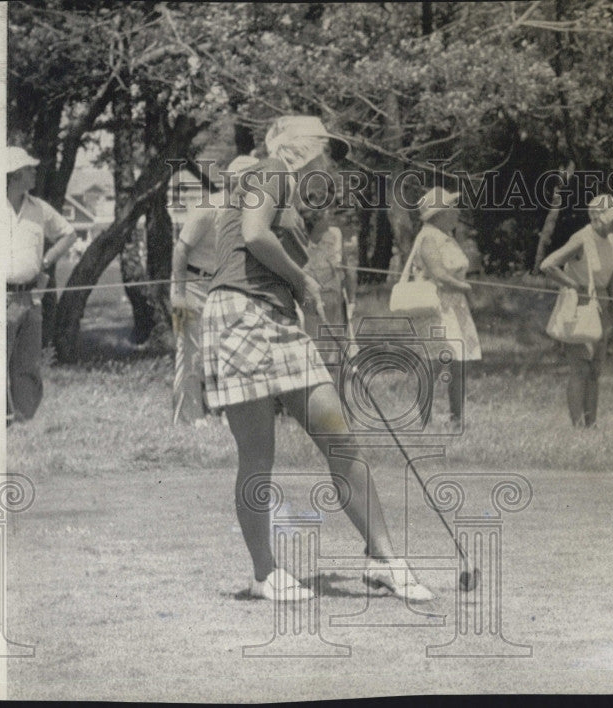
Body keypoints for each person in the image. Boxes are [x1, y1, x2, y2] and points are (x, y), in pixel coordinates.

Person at [201, 116, 433, 602]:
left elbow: (277, 249)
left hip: (278, 321)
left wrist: (303, 285)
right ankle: (264, 573)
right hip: (239, 315)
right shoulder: (269, 171)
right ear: (299, 149)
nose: (329, 165)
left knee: (341, 439)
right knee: (259, 455)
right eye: (326, 153)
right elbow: (254, 235)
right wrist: (304, 281)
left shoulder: (293, 200)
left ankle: (385, 561)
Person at [170, 155, 259, 426]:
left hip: (225, 285)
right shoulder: (208, 207)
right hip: (194, 284)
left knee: (226, 351)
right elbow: (181, 250)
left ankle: (222, 412)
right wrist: (180, 295)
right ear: (232, 181)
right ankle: (190, 417)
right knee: (192, 353)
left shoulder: (250, 211)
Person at [540, 194, 613, 428]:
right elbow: (548, 265)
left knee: (595, 369)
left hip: (602, 308)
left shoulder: (610, 240)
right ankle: (577, 425)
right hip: (578, 309)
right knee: (580, 367)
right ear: (599, 218)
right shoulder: (581, 239)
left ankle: (592, 423)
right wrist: (573, 285)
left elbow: (612, 276)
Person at [6, 146, 77, 425]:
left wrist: (44, 261)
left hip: (29, 298)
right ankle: (0, 422)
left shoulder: (39, 209)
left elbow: (69, 234)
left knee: (27, 364)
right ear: (13, 176)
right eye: (29, 170)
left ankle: (24, 420)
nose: (35, 173)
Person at [409, 187, 482, 431]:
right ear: (439, 213)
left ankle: (456, 419)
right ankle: (424, 421)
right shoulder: (428, 237)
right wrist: (465, 286)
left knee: (459, 361)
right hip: (437, 307)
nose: (457, 211)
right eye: (452, 207)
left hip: (456, 306)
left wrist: (463, 290)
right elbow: (439, 274)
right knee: (436, 362)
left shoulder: (446, 237)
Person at [300, 204, 355, 364]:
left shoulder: (334, 235)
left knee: (333, 341)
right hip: (308, 297)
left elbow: (347, 267)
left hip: (333, 295)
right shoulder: (299, 238)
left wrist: (351, 300)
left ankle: (333, 369)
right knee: (312, 339)